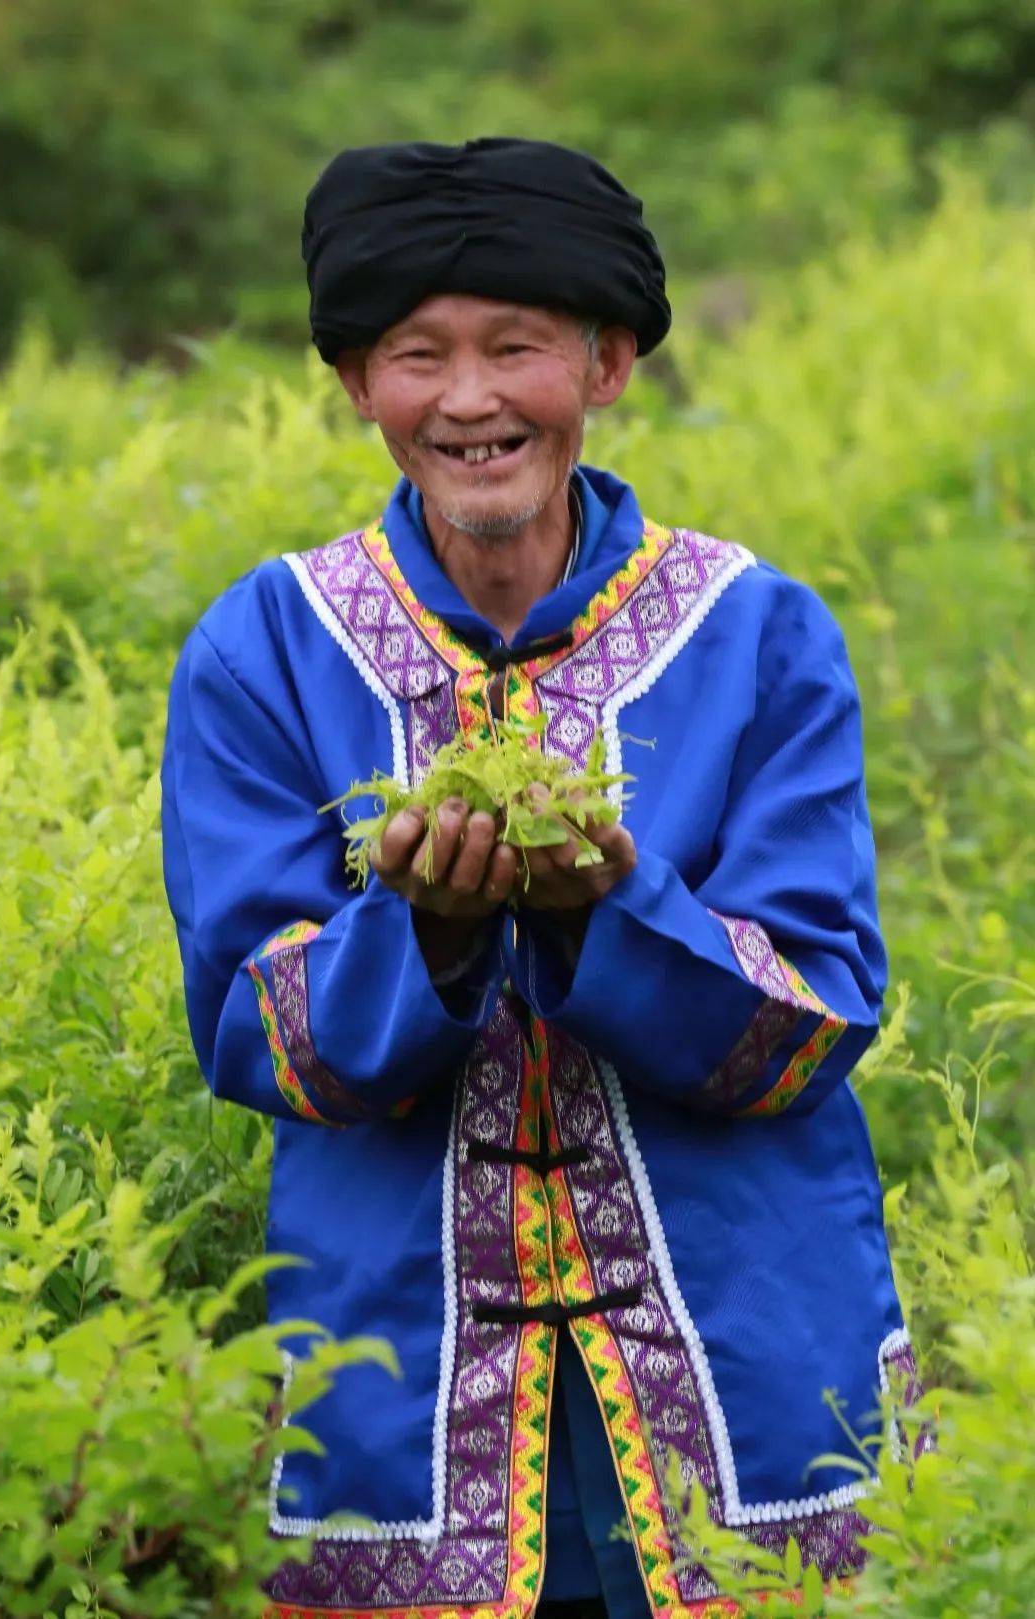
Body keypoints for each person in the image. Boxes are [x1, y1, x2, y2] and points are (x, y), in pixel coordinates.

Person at [160, 138, 922, 1619]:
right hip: (405, 1387)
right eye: (415, 356)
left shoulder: (758, 632)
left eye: (517, 348)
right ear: (354, 386)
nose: (469, 401)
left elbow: (818, 1013)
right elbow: (255, 1032)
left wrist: (599, 912)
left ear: (609, 362)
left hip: (755, 1367)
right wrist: (425, 939)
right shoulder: (264, 649)